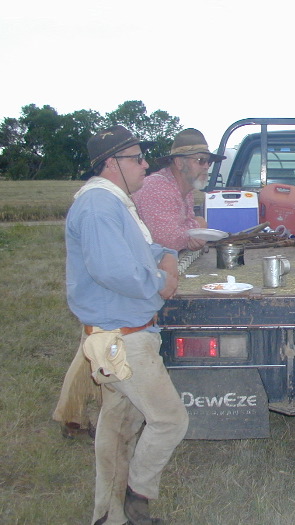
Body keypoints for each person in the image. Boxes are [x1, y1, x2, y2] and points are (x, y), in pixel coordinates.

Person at [63, 124, 189, 525]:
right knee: (170, 420)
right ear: (112, 163)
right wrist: (162, 281)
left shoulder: (113, 203)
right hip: (123, 340)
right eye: (137, 158)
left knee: (117, 430)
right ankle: (138, 496)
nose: (145, 165)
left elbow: (145, 247)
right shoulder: (100, 206)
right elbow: (116, 271)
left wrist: (166, 254)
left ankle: (107, 516)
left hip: (122, 336)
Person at [133, 128, 225, 252]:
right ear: (179, 163)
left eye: (209, 162)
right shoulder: (157, 188)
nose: (206, 166)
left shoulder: (186, 191)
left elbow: (184, 233)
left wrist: (192, 236)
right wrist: (199, 225)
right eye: (201, 160)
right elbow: (167, 241)